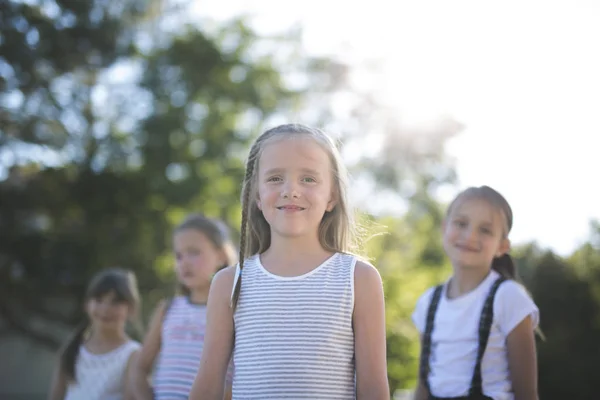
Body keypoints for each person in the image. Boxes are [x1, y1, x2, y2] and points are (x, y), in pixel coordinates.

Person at [190, 123, 389, 399]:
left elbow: (374, 389)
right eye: (274, 179)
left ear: (332, 196)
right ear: (257, 195)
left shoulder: (359, 279)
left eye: (308, 179)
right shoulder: (228, 282)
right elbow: (208, 387)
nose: (290, 190)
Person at [412, 186, 540, 400]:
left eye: (485, 230)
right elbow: (423, 385)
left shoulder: (509, 298)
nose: (470, 235)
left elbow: (527, 394)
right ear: (444, 228)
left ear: (502, 246)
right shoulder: (428, 303)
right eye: (461, 224)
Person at [131, 214, 236, 400]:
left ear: (220, 256)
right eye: (179, 256)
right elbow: (139, 369)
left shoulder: (234, 311)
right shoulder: (168, 308)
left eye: (194, 252)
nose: (184, 262)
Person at [48, 268, 142, 400]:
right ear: (87, 304)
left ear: (131, 309)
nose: (105, 309)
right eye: (99, 300)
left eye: (115, 302)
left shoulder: (133, 355)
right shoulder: (71, 350)